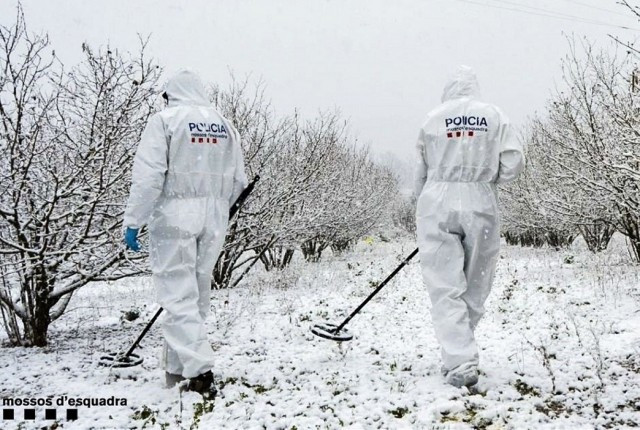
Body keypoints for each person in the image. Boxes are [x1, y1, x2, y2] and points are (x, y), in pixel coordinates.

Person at [123, 69, 248, 397]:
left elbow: (149, 176)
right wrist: (219, 206)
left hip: (176, 214)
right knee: (195, 291)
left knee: (178, 296)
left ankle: (199, 370)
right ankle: (177, 372)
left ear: (170, 93)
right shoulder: (224, 124)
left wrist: (134, 219)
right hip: (215, 216)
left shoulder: (165, 120)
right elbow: (239, 179)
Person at [413, 65, 524, 388]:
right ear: (474, 87)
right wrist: (486, 178)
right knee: (476, 282)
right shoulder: (493, 115)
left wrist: (427, 204)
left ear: (448, 89)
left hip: (437, 200)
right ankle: (462, 353)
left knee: (444, 285)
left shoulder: (433, 118)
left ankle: (458, 355)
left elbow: (420, 169)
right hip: (480, 200)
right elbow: (514, 162)